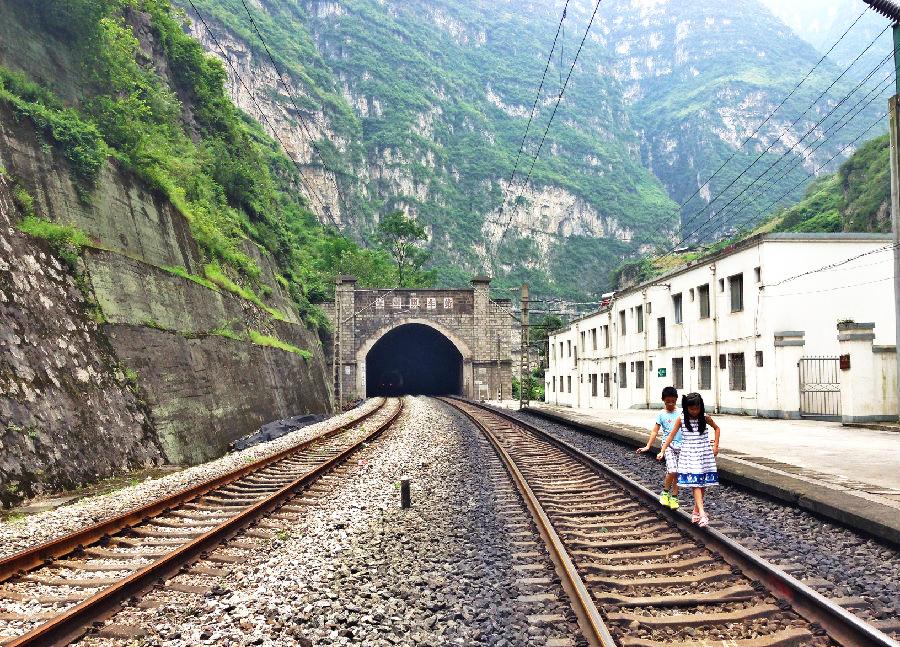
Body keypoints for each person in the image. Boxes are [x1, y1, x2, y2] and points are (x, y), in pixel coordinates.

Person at [657, 392, 720, 527]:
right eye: (691, 409)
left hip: (704, 453)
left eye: (697, 408)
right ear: (686, 408)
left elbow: (717, 428)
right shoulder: (681, 419)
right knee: (696, 483)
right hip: (689, 454)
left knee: (702, 483)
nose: (694, 411)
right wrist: (662, 450)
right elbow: (671, 436)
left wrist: (715, 446)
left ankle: (696, 511)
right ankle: (702, 514)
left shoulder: (705, 418)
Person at [636, 386, 681, 510]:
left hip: (682, 446)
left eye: (673, 401)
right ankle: (665, 492)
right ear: (663, 400)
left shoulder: (681, 412)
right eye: (668, 401)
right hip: (668, 446)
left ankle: (674, 497)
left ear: (676, 399)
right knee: (672, 470)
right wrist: (648, 446)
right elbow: (655, 431)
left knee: (678, 473)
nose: (670, 404)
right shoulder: (661, 414)